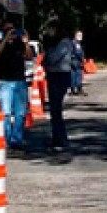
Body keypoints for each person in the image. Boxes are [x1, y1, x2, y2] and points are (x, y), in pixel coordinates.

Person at [0, 22, 29, 152]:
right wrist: (4, 40)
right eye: (8, 31)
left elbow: (29, 56)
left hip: (19, 81)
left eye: (12, 31)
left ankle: (17, 139)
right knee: (6, 113)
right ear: (2, 31)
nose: (11, 33)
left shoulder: (20, 44)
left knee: (20, 113)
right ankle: (6, 139)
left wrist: (26, 42)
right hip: (4, 82)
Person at [42, 22, 75, 150]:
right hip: (54, 75)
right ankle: (57, 138)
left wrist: (48, 57)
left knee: (56, 109)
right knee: (54, 110)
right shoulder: (56, 44)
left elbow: (52, 59)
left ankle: (61, 139)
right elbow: (46, 59)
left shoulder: (64, 43)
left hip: (59, 76)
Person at [70, 30, 86, 95]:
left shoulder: (72, 42)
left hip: (72, 61)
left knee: (73, 75)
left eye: (81, 35)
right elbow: (78, 52)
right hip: (76, 61)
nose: (81, 36)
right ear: (75, 36)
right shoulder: (76, 43)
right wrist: (82, 59)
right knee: (78, 75)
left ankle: (73, 90)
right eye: (79, 35)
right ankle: (79, 90)